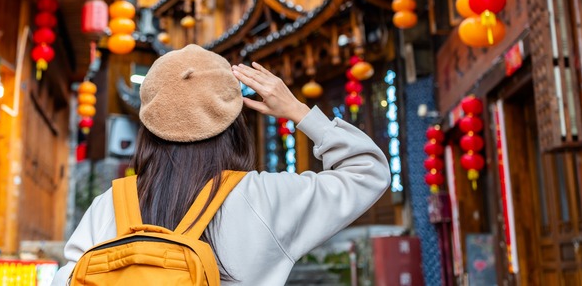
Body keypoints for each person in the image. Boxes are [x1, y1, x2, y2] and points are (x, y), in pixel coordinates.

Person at [52, 44, 390, 285]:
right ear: (233, 124)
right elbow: (368, 172)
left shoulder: (108, 205)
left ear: (149, 127)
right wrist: (297, 111)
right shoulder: (265, 198)